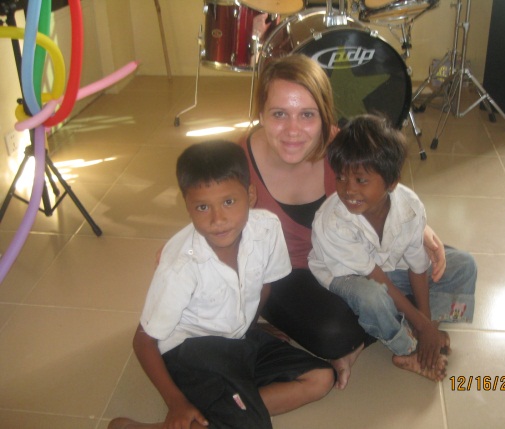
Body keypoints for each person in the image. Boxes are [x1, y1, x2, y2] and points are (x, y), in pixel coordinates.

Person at [239, 54, 476, 389]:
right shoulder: (237, 163)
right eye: (279, 114)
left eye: (307, 114)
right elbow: (217, 230)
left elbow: (383, 182)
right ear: (260, 113)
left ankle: (411, 324)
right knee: (336, 334)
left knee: (459, 265)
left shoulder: (340, 144)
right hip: (294, 273)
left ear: (324, 116)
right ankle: (396, 329)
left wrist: (420, 228)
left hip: (367, 253)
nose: (293, 130)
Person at [109, 141, 335, 429]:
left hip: (238, 339)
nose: (218, 219)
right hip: (193, 351)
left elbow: (264, 286)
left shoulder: (267, 229)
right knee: (253, 426)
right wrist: (176, 402)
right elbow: (143, 341)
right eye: (203, 207)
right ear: (188, 207)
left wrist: (251, 325)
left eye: (229, 202)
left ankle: (229, 410)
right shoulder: (181, 266)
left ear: (250, 196)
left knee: (321, 378)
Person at [309, 114, 476, 381]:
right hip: (348, 277)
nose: (348, 190)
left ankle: (427, 331)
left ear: (391, 182)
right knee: (372, 297)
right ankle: (407, 348)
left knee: (464, 264)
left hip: (389, 267)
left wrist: (426, 322)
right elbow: (376, 278)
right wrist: (421, 325)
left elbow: (418, 265)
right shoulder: (332, 221)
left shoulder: (409, 206)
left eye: (361, 180)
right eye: (340, 178)